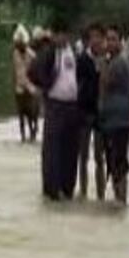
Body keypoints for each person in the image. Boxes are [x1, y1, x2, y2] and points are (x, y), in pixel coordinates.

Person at [32, 23, 82, 201]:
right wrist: (45, 86)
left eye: (64, 34)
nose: (61, 38)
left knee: (70, 148)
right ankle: (51, 189)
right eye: (57, 34)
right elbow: (33, 71)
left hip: (72, 106)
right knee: (52, 149)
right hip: (55, 105)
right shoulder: (49, 52)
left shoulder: (75, 52)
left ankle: (67, 187)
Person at [100, 26, 129, 205]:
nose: (109, 43)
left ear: (120, 42)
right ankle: (119, 199)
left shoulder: (117, 63)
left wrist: (103, 62)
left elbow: (104, 83)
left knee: (118, 161)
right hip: (113, 119)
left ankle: (121, 199)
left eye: (113, 39)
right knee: (116, 160)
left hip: (119, 119)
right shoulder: (116, 61)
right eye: (108, 39)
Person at [76, 23, 107, 201]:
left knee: (99, 157)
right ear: (88, 40)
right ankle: (83, 192)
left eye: (98, 37)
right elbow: (76, 86)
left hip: (101, 114)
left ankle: (101, 195)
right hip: (84, 111)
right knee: (83, 155)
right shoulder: (81, 60)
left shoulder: (106, 60)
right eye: (92, 37)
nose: (95, 40)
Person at [12, 25, 40, 142]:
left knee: (32, 112)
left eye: (20, 44)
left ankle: (34, 128)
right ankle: (23, 135)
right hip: (19, 86)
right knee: (21, 113)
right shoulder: (14, 54)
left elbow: (36, 71)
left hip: (30, 86)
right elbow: (14, 71)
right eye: (17, 44)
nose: (18, 46)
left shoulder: (32, 55)